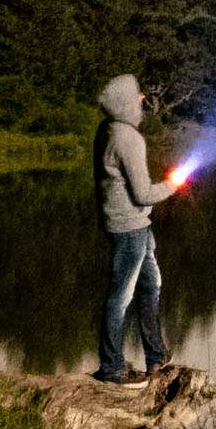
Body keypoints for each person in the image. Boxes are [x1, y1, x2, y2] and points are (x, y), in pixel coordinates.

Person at [88, 71, 169, 384]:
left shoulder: (106, 130)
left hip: (129, 223)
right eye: (136, 95)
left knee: (151, 285)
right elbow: (143, 193)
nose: (141, 99)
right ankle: (111, 367)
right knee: (121, 297)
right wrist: (173, 185)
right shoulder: (127, 138)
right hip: (129, 227)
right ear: (124, 102)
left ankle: (156, 358)